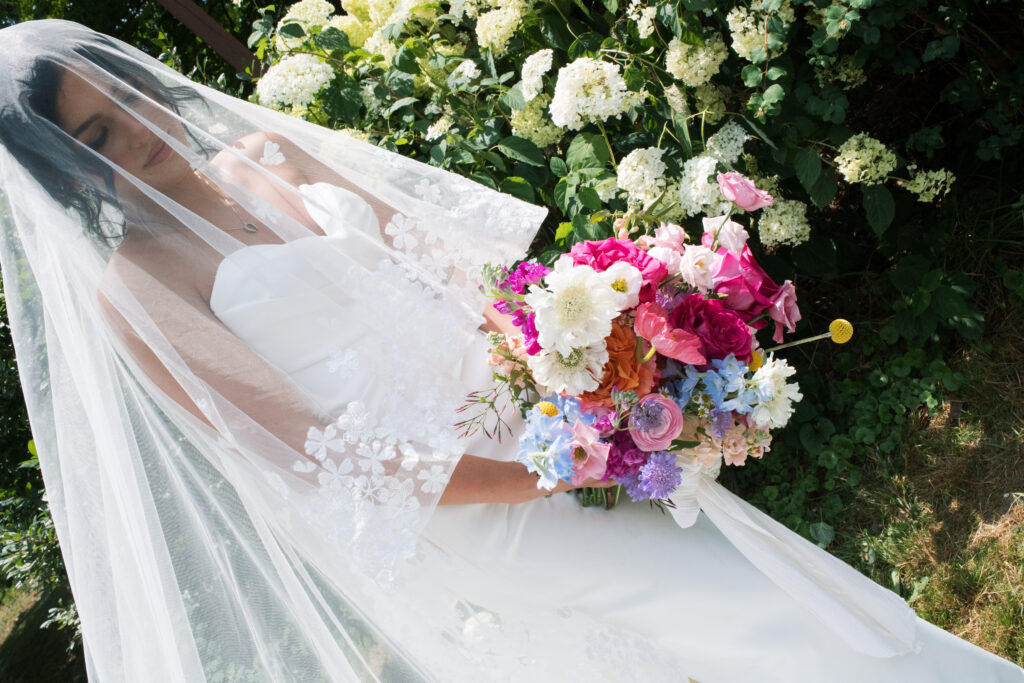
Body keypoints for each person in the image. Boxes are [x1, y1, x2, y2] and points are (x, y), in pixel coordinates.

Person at [0, 19, 1020, 683]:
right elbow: (317, 455)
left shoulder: (266, 157)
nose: (131, 132)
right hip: (482, 504)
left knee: (762, 576)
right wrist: (541, 470)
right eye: (96, 138)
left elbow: (462, 277)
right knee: (740, 619)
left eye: (118, 100)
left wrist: (599, 361)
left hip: (559, 423)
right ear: (67, 173)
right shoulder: (138, 286)